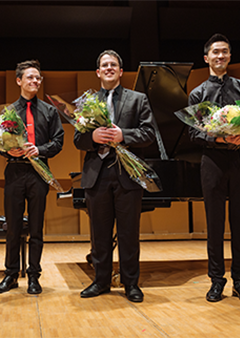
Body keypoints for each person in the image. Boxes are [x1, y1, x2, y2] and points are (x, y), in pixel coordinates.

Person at [189, 33, 240, 304]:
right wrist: (220, 137)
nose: (220, 56)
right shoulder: (198, 93)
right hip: (212, 162)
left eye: (224, 52)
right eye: (215, 52)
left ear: (230, 56)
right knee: (214, 225)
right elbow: (194, 135)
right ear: (206, 58)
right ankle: (216, 281)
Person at [74, 50, 155, 301]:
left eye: (114, 65)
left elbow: (149, 133)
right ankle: (100, 282)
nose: (109, 68)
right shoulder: (86, 103)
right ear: (98, 72)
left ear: (120, 71)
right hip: (96, 175)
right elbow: (78, 139)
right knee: (99, 234)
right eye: (104, 65)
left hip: (126, 174)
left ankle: (131, 284)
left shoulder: (138, 99)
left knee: (129, 233)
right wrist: (92, 137)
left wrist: (124, 136)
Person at [0, 60, 64, 294]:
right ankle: (11, 275)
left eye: (38, 78)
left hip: (39, 172)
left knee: (36, 227)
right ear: (19, 81)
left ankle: (34, 276)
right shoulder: (8, 112)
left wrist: (40, 150)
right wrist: (6, 150)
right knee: (12, 227)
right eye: (30, 77)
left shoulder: (50, 111)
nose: (35, 81)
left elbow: (58, 141)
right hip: (14, 171)